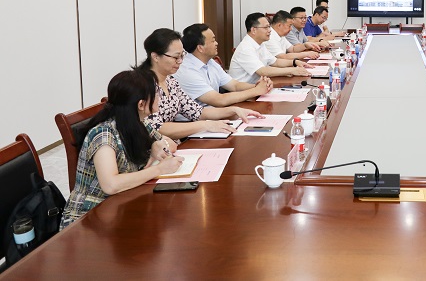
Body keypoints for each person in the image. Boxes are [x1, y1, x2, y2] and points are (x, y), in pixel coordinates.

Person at [60, 69, 184, 229]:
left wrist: (156, 145)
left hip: (122, 204)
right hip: (88, 218)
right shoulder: (104, 134)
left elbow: (171, 144)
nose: (159, 99)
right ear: (141, 104)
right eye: (156, 95)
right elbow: (111, 184)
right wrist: (159, 169)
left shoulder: (138, 122)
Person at [140, 28, 261, 140]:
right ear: (155, 57)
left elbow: (198, 112)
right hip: (152, 147)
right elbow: (157, 127)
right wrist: (206, 125)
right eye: (176, 57)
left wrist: (234, 110)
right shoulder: (143, 85)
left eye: (182, 56)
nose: (180, 61)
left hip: (172, 144)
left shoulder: (170, 81)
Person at [174, 23, 273, 107]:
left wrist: (259, 86)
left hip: (215, 113)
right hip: (195, 120)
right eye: (213, 41)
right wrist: (256, 91)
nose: (216, 43)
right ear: (200, 48)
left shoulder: (210, 62)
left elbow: (234, 85)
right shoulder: (187, 71)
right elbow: (219, 100)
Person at [229, 13, 312, 84]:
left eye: (269, 27)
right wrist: (291, 70)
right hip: (245, 91)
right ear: (253, 30)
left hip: (259, 86)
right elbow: (262, 71)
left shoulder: (260, 44)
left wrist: (295, 62)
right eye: (266, 27)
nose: (270, 30)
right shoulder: (246, 48)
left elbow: (275, 62)